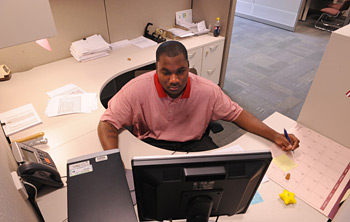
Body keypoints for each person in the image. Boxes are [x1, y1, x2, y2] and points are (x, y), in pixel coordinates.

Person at [98, 41, 299, 152]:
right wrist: (112, 158)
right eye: (166, 72)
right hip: (153, 144)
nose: (174, 79)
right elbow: (107, 122)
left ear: (188, 66)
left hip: (194, 144)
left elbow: (238, 114)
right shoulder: (136, 88)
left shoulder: (207, 90)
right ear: (156, 69)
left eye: (181, 71)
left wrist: (275, 135)